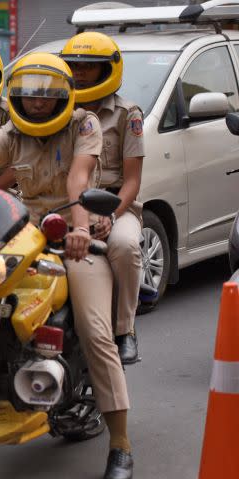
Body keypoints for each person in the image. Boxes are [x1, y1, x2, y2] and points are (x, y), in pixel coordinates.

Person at [0, 52, 133, 479]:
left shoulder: (83, 125)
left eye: (46, 94)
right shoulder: (10, 131)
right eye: (28, 94)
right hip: (23, 231)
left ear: (63, 95)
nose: (36, 102)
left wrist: (78, 228)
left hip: (74, 230)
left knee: (94, 331)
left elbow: (79, 178)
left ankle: (121, 444)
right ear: (15, 97)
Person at [61, 32, 143, 366]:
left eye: (89, 67)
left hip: (113, 203)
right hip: (66, 202)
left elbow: (133, 181)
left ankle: (125, 330)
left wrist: (111, 214)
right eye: (75, 66)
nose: (79, 73)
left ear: (107, 70)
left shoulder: (127, 114)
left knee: (124, 246)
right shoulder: (58, 107)